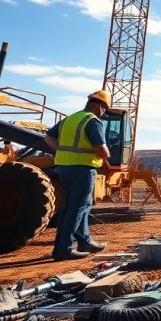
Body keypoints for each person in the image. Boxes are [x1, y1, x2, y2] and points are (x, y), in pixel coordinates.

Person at [43, 90, 111, 261]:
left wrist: (60, 151)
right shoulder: (92, 121)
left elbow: (48, 137)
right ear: (99, 106)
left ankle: (85, 241)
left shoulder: (70, 119)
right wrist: (107, 155)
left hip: (64, 169)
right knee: (77, 208)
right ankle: (63, 249)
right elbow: (100, 149)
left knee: (73, 206)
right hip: (83, 169)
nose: (103, 113)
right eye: (104, 109)